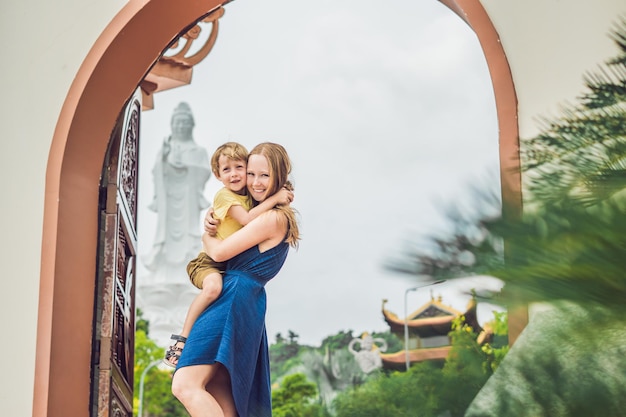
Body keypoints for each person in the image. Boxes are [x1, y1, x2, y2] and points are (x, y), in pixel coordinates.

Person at [171, 142, 300, 417]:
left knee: (186, 385)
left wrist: (206, 234)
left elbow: (217, 251)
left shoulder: (273, 218)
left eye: (264, 175)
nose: (255, 182)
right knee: (219, 391)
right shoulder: (255, 212)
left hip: (233, 298)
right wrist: (212, 218)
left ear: (279, 175)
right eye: (251, 174)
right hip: (242, 300)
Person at [142, 102, 212, 284]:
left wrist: (187, 169)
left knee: (190, 239)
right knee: (165, 237)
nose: (181, 126)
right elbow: (156, 173)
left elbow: (204, 172)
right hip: (168, 205)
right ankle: (162, 272)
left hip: (189, 203)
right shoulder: (165, 151)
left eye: (184, 122)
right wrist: (164, 160)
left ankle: (189, 272)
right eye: (177, 122)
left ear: (191, 125)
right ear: (172, 125)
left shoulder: (199, 151)